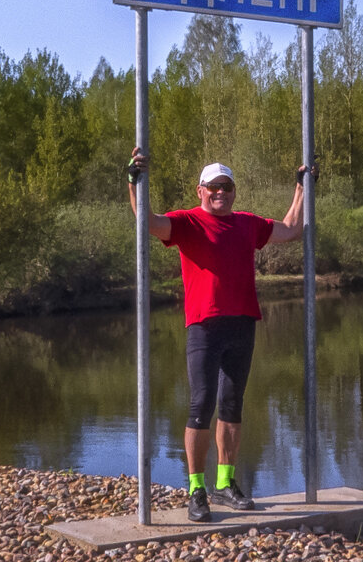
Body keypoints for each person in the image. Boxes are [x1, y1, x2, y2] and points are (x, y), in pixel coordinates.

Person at [127, 146, 313, 522]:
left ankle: (225, 484)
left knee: (232, 406)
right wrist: (135, 180)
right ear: (200, 190)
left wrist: (302, 188)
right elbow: (147, 221)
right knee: (201, 405)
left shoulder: (247, 223)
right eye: (214, 187)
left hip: (242, 323)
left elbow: (292, 229)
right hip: (204, 326)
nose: (220, 193)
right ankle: (197, 489)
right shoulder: (187, 223)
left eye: (226, 188)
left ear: (233, 192)